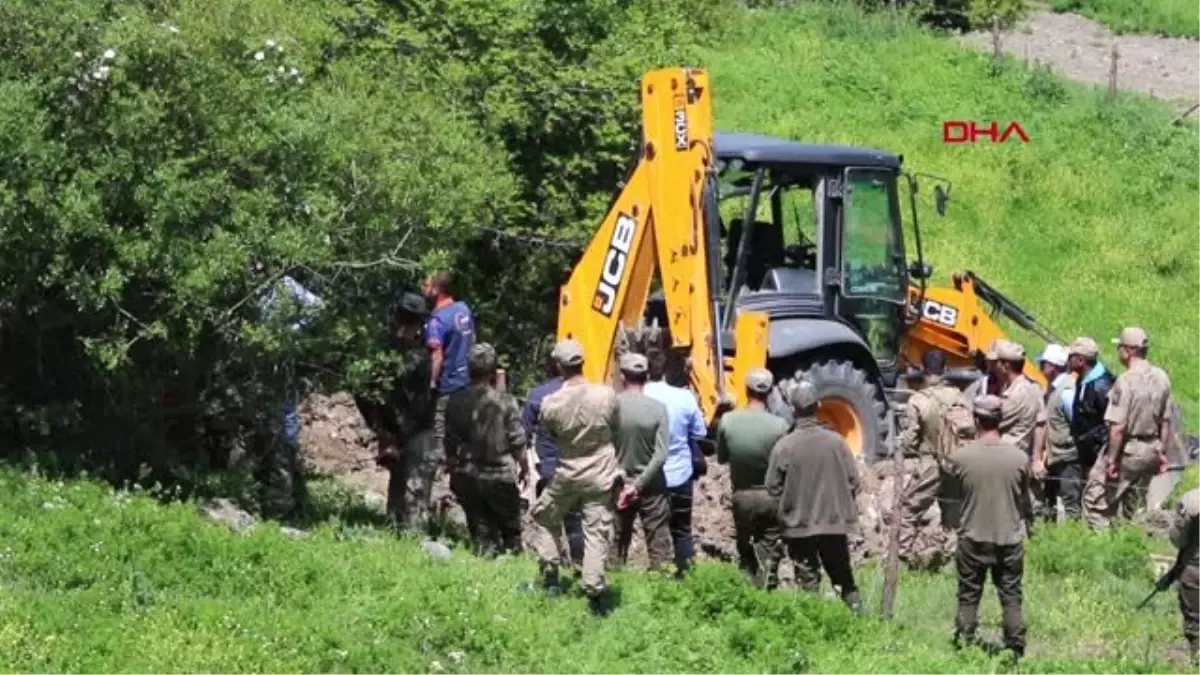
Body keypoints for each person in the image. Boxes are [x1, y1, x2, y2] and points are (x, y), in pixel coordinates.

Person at [529, 339, 622, 616]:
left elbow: (553, 436)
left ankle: (549, 573)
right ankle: (594, 591)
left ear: (559, 366)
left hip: (568, 470)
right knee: (596, 530)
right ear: (583, 361)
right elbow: (615, 428)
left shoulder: (550, 403)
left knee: (545, 515)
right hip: (601, 472)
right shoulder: (606, 395)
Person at [943, 394, 1032, 660]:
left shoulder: (960, 458)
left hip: (972, 536)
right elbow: (1024, 499)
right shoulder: (1019, 458)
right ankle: (1015, 648)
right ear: (1000, 421)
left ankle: (964, 643)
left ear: (976, 419)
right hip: (1009, 538)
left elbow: (952, 496)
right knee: (1011, 595)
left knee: (969, 594)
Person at [765, 380, 863, 612]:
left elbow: (772, 488)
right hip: (834, 523)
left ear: (792, 410)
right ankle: (860, 619)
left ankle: (814, 628)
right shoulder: (837, 442)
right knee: (843, 579)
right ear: (818, 405)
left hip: (799, 525)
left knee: (808, 581)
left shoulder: (784, 446)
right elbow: (854, 482)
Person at [353, 291, 437, 531]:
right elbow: (420, 402)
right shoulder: (420, 357)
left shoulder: (379, 352)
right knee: (414, 495)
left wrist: (380, 430)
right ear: (419, 323)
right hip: (416, 433)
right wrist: (396, 435)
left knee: (398, 490)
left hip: (394, 432)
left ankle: (394, 536)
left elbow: (360, 391)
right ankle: (412, 543)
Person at [444, 343, 530, 557]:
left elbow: (449, 440)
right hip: (499, 477)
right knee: (512, 536)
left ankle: (483, 569)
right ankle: (508, 574)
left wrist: (452, 465)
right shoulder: (506, 402)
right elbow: (517, 441)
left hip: (468, 476)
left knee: (480, 534)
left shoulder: (455, 400)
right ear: (493, 371)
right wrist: (525, 467)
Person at [256, 267, 325, 518]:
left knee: (286, 423)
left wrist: (293, 331)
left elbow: (317, 307)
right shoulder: (244, 286)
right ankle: (258, 495)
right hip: (251, 365)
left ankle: (286, 500)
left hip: (279, 362)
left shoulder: (283, 284)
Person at [1089, 327, 1173, 525]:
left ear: (1129, 350)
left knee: (1096, 501)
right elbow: (1166, 421)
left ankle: (1099, 547)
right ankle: (1130, 543)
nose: (1119, 351)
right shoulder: (1162, 377)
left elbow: (1118, 427)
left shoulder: (1125, 381)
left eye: (1120, 347)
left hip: (1129, 449)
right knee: (1134, 505)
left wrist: (1111, 460)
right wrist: (1161, 451)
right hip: (1152, 447)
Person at [897, 349, 972, 568]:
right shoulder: (960, 397)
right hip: (957, 462)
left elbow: (910, 441)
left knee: (909, 508)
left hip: (930, 464)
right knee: (953, 512)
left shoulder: (918, 400)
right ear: (945, 370)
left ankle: (901, 559)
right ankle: (953, 560)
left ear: (923, 370)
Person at [716, 367, 790, 589]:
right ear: (768, 393)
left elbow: (721, 458)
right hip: (771, 497)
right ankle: (766, 587)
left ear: (746, 390)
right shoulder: (780, 427)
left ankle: (747, 586)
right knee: (768, 547)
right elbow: (785, 466)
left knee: (744, 546)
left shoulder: (728, 421)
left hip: (742, 496)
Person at [645, 346, 708, 577]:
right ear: (665, 371)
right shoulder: (684, 397)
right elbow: (699, 433)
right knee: (682, 530)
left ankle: (657, 575)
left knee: (653, 529)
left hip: (650, 476)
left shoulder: (641, 398)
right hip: (680, 474)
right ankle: (686, 575)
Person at [521, 351, 585, 570]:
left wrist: (523, 467)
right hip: (580, 468)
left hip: (550, 470)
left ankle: (550, 573)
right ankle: (580, 569)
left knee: (548, 523)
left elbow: (523, 435)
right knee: (576, 523)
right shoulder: (593, 394)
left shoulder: (539, 394)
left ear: (557, 366)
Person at [611, 352, 673, 570]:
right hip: (653, 487)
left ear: (622, 376)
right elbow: (661, 454)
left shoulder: (611, 406)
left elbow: (604, 448)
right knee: (659, 546)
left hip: (617, 485)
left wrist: (627, 485)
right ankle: (662, 592)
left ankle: (612, 590)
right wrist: (638, 485)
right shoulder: (659, 409)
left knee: (615, 543)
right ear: (646, 376)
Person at [422, 269, 476, 480]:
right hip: (467, 383)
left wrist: (430, 384)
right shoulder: (463, 310)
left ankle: (442, 479)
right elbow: (472, 339)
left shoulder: (436, 320)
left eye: (426, 285)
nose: (423, 288)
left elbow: (437, 357)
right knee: (464, 434)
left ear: (437, 289)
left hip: (447, 387)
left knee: (441, 435)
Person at [994, 340, 1047, 529]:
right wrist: (1036, 458)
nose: (993, 366)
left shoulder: (1015, 395)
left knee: (1006, 509)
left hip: (1008, 456)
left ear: (1006, 365)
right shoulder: (1034, 388)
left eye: (997, 362)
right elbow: (1040, 425)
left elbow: (994, 423)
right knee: (1027, 507)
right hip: (1023, 456)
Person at [1069, 337, 1117, 529]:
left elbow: (1111, 423)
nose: (1068, 360)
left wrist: (1100, 454)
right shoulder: (1084, 380)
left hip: (1099, 456)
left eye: (1071, 356)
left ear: (1080, 360)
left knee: (1096, 502)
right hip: (1088, 454)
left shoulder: (1101, 387)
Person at [1038, 343, 1080, 521]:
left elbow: (1075, 423)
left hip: (1067, 457)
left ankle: (1072, 539)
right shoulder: (1054, 387)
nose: (1040, 367)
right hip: (1054, 455)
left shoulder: (1067, 390)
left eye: (1043, 364)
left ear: (1052, 367)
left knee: (1070, 503)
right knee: (1049, 500)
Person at [1168, 487, 1200, 665]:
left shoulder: (1193, 499)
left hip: (1195, 567)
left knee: (1195, 620)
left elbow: (1177, 538)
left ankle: (1197, 659)